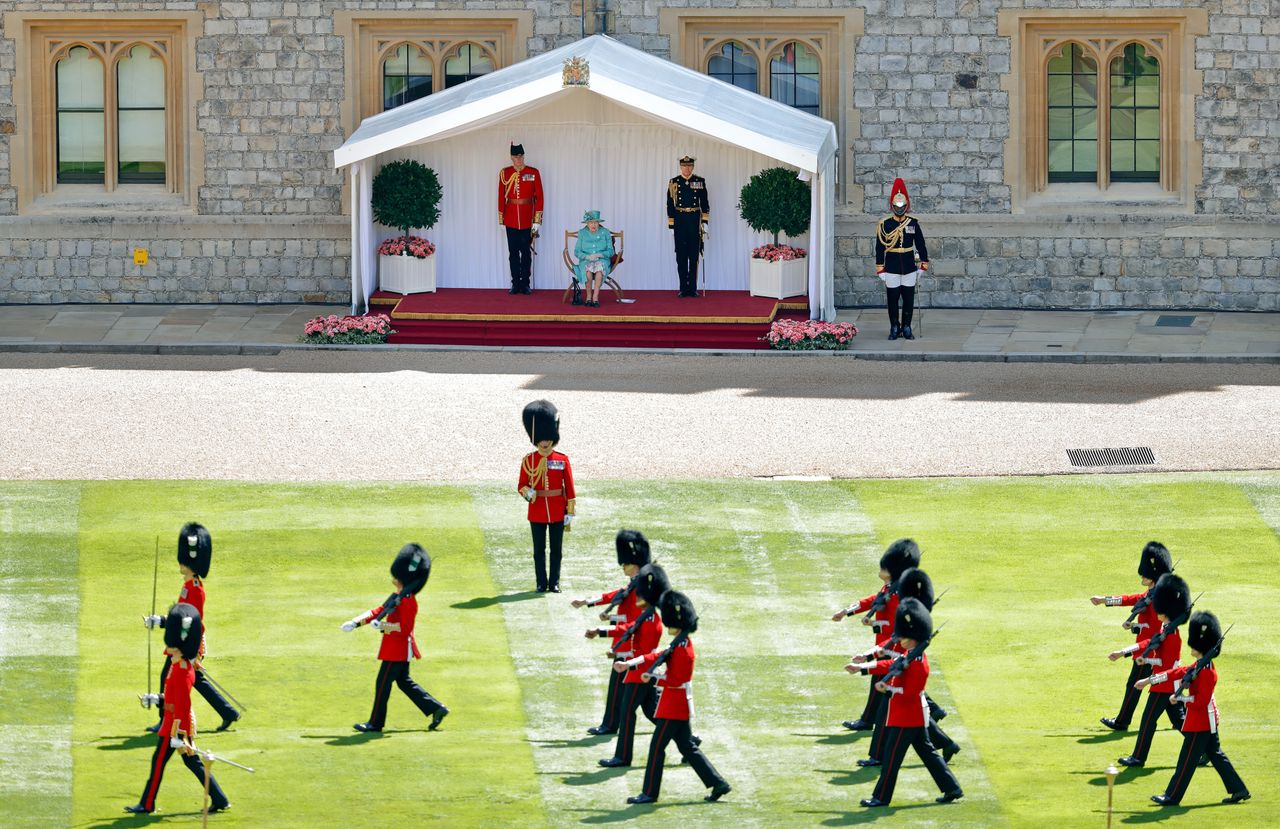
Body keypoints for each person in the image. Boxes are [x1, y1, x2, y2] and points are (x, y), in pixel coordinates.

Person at [618, 590, 731, 805]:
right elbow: (655, 656)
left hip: (673, 707)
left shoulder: (683, 650)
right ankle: (718, 783)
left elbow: (676, 680)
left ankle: (649, 793)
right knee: (688, 747)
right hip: (674, 706)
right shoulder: (678, 644)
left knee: (657, 748)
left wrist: (651, 677)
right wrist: (630, 664)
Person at [850, 597, 962, 808]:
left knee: (891, 760)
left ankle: (881, 797)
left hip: (906, 717)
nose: (899, 638)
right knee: (928, 753)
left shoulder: (919, 663)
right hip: (911, 717)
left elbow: (910, 692)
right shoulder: (911, 655)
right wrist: (863, 668)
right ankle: (952, 788)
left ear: (913, 639)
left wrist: (888, 688)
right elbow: (890, 664)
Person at [126, 602, 230, 814]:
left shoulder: (183, 670)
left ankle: (147, 804)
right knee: (191, 764)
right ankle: (219, 798)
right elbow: (173, 698)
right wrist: (156, 700)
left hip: (176, 725)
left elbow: (183, 705)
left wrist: (179, 735)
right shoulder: (178, 664)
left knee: (161, 764)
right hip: (174, 722)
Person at [1140, 611, 1249, 806]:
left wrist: (1180, 698)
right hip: (1205, 721)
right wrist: (1150, 680)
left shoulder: (1207, 673)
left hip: (1201, 723)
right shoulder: (1200, 666)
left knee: (1186, 762)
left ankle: (1172, 796)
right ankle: (1239, 789)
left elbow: (1199, 702)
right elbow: (1176, 672)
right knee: (1216, 755)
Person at [143, 523, 239, 734]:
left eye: (184, 561)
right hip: (184, 641)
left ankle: (164, 721)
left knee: (167, 679)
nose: (180, 563)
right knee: (197, 682)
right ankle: (228, 712)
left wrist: (190, 650)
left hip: (187, 643)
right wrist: (160, 620)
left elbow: (191, 620)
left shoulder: (194, 590)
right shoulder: (189, 586)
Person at [341, 543, 448, 733]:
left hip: (397, 650)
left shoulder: (408, 602)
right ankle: (436, 708)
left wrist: (382, 626)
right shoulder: (398, 597)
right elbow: (379, 611)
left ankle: (375, 723)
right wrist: (356, 622)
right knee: (404, 682)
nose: (394, 580)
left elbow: (404, 629)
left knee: (382, 684)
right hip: (394, 648)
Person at [832, 539, 919, 743]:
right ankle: (868, 719)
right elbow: (872, 601)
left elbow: (893, 624)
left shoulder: (899, 592)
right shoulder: (890, 587)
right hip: (884, 644)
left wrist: (873, 626)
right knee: (881, 681)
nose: (881, 571)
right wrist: (847, 611)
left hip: (892, 645)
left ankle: (868, 720)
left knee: (886, 682)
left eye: (884, 568)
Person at [572, 529, 651, 736]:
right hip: (628, 645)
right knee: (649, 704)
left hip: (631, 648)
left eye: (625, 563)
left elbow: (634, 622)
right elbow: (617, 600)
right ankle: (686, 735)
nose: (623, 566)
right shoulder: (635, 584)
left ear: (634, 564)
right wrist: (588, 602)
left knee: (619, 693)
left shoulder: (640, 587)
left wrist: (603, 629)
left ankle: (609, 725)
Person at [1091, 542, 1174, 731]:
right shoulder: (1151, 594)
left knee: (1135, 686)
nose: (1142, 576)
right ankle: (1183, 720)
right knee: (1165, 688)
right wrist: (1105, 600)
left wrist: (1135, 627)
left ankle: (1122, 721)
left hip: (1149, 650)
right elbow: (1130, 599)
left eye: (1145, 574)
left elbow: (1154, 626)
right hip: (1148, 648)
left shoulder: (1157, 597)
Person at [1110, 573, 1190, 767]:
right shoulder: (1166, 629)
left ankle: (1138, 757)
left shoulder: (1172, 635)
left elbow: (1166, 662)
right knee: (1180, 721)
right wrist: (1124, 652)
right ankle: (1205, 749)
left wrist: (1147, 665)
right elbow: (1149, 642)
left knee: (1147, 721)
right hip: (1165, 683)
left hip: (1163, 684)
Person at [594, 563, 668, 768]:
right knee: (654, 713)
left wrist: (627, 663)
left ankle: (623, 757)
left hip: (640, 673)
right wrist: (601, 630)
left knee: (627, 713)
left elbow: (642, 649)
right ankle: (689, 741)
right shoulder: (648, 615)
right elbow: (627, 628)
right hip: (639, 670)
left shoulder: (651, 620)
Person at [518, 400, 575, 593]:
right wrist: (528, 493)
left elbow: (569, 488)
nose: (544, 442)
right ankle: (541, 583)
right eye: (541, 438)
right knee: (539, 552)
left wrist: (570, 512)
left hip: (558, 510)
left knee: (556, 552)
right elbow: (521, 485)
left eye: (547, 438)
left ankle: (555, 582)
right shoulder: (529, 460)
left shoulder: (562, 459)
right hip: (537, 510)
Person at [875, 178, 929, 340]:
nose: (899, 208)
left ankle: (906, 326)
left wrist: (923, 264)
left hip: (908, 265)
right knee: (892, 299)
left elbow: (920, 243)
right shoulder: (885, 224)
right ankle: (894, 326)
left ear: (906, 206)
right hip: (891, 266)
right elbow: (880, 246)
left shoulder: (912, 223)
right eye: (897, 206)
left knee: (908, 298)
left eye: (902, 206)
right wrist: (880, 267)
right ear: (892, 206)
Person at [499, 142, 544, 294]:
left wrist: (537, 220)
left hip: (527, 219)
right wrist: (502, 216)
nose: (518, 159)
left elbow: (540, 197)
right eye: (515, 156)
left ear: (523, 156)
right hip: (511, 219)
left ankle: (525, 283)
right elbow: (501, 196)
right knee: (513, 253)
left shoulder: (533, 172)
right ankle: (515, 283)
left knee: (525, 252)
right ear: (511, 157)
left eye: (520, 156)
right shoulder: (505, 173)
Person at [666, 155, 709, 298]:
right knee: (681, 255)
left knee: (693, 255)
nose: (687, 168)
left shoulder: (699, 181)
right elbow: (670, 204)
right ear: (680, 167)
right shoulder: (674, 182)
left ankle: (693, 288)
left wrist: (705, 223)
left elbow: (704, 203)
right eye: (684, 166)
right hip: (679, 220)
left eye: (689, 166)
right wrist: (671, 225)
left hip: (694, 219)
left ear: (693, 167)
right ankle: (683, 288)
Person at [573, 210, 614, 307]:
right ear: (587, 223)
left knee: (599, 271)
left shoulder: (605, 232)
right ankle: (588, 297)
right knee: (588, 272)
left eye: (595, 222)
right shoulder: (582, 233)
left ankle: (595, 298)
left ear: (599, 223)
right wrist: (586, 256)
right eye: (591, 222)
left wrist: (600, 255)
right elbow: (577, 251)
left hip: (602, 259)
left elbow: (611, 251)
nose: (593, 225)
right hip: (586, 260)